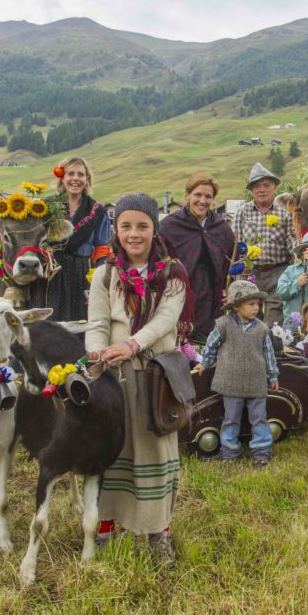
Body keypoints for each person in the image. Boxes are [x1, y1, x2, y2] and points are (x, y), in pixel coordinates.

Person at [86, 193, 194, 566]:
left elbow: (165, 320)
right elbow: (98, 323)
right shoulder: (105, 273)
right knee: (112, 451)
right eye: (126, 226)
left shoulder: (172, 272)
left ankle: (157, 531)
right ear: (116, 229)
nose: (134, 234)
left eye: (142, 226)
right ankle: (106, 524)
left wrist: (131, 345)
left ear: (154, 228)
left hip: (153, 376)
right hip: (113, 378)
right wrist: (97, 354)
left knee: (154, 449)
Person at [193, 280, 280, 467]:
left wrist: (272, 376)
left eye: (258, 303)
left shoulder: (262, 329)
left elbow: (268, 354)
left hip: (256, 382)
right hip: (230, 382)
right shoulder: (224, 324)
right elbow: (211, 345)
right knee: (231, 418)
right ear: (237, 305)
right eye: (251, 304)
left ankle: (261, 451)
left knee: (259, 418)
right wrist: (204, 363)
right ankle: (230, 450)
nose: (256, 308)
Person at [159, 174, 235, 341]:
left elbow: (231, 262)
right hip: (180, 294)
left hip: (212, 295)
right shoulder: (170, 226)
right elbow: (158, 262)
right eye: (198, 195)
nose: (203, 200)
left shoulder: (221, 228)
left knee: (209, 341)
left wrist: (230, 288)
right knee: (180, 340)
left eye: (208, 196)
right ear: (188, 194)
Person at [231, 162, 297, 329]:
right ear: (251, 190)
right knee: (249, 321)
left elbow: (290, 238)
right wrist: (238, 275)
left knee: (273, 323)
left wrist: (298, 253)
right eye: (256, 186)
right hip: (250, 273)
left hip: (278, 272)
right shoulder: (242, 212)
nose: (261, 190)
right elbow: (234, 245)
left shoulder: (284, 211)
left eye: (266, 185)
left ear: (274, 186)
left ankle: (272, 352)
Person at [47, 157, 112, 322]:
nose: (76, 178)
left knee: (82, 321)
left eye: (81, 175)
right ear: (62, 178)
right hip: (53, 272)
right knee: (52, 321)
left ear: (87, 179)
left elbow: (102, 249)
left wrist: (99, 280)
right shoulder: (46, 207)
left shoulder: (97, 211)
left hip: (82, 273)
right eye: (70, 174)